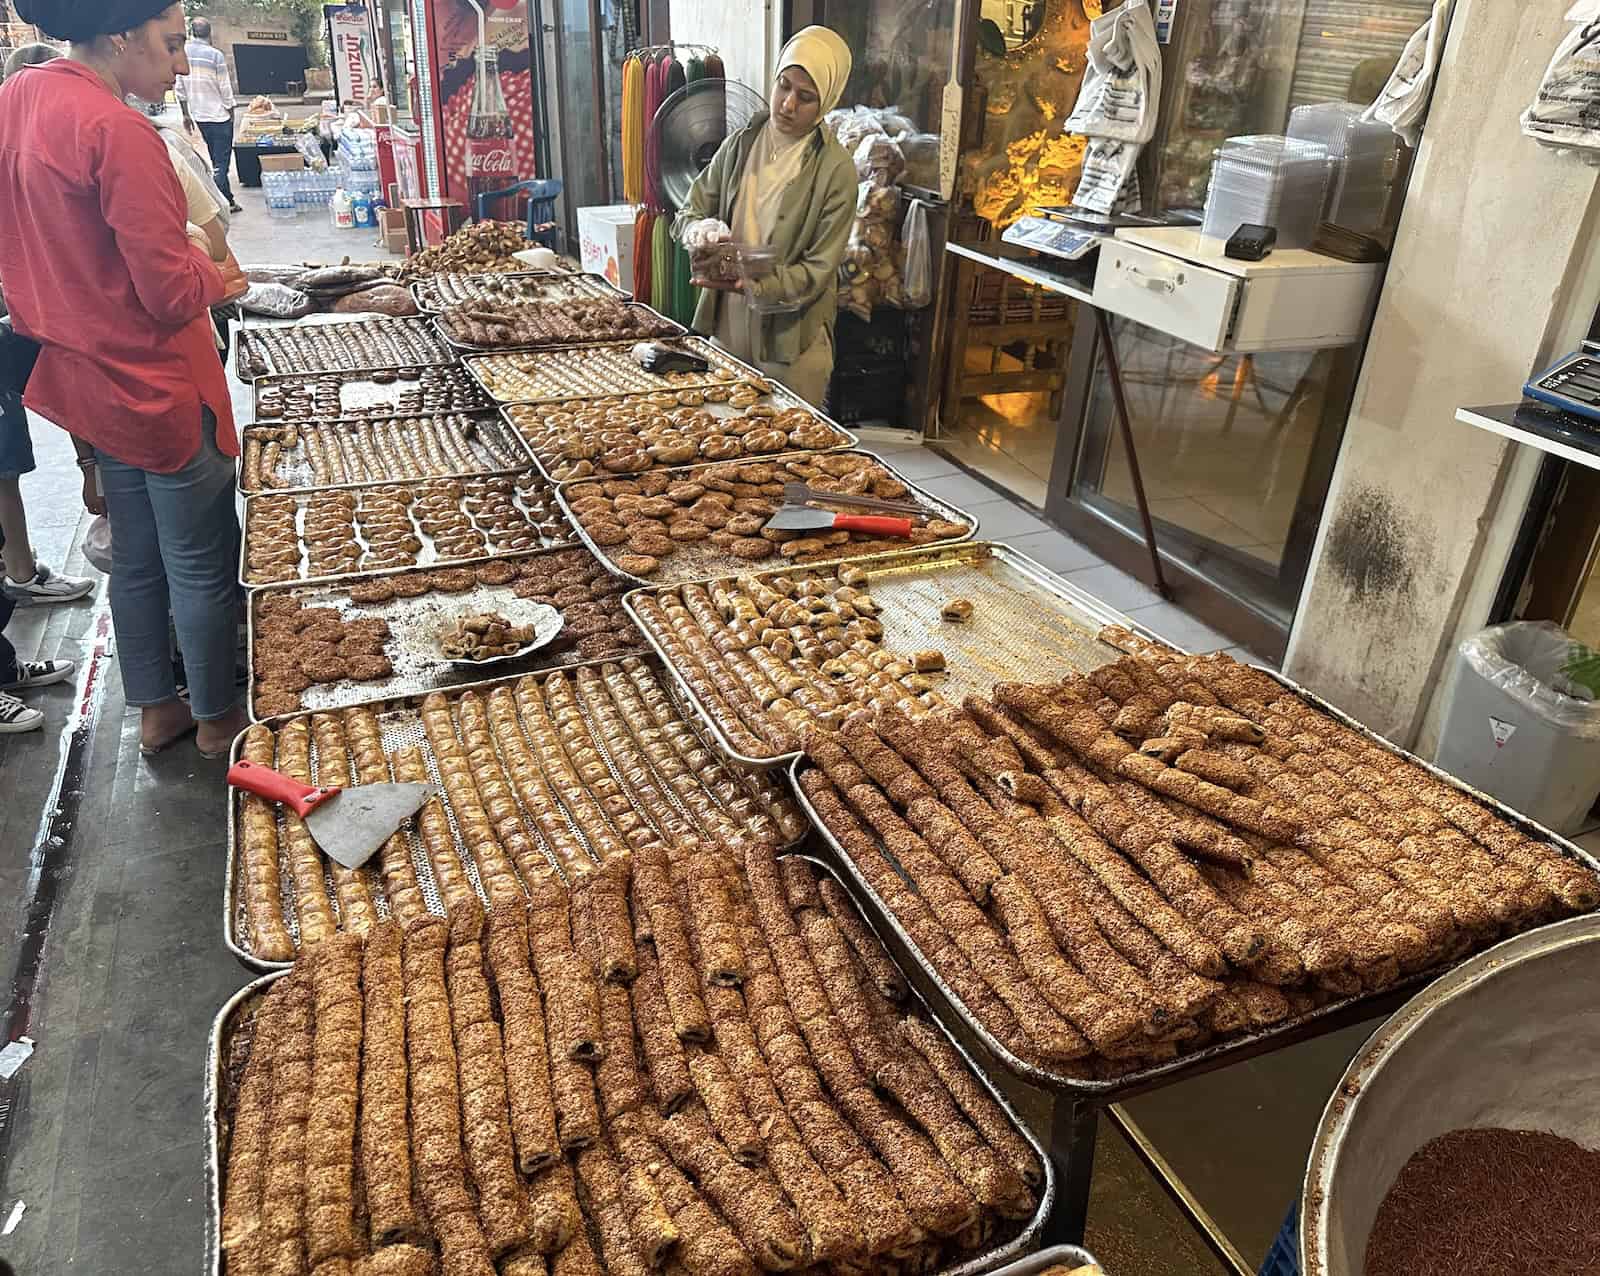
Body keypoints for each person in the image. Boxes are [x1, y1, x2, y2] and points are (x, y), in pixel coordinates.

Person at [0, 0, 247, 758]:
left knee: (137, 557)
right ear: (121, 35)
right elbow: (171, 291)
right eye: (171, 45)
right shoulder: (117, 129)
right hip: (159, 386)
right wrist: (217, 267)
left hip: (86, 380)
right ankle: (215, 720)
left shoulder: (16, 100)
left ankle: (154, 708)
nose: (180, 64)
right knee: (201, 559)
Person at [674, 26, 857, 408]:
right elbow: (690, 209)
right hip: (726, 320)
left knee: (794, 451)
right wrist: (698, 229)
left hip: (791, 339)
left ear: (826, 102)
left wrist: (757, 284)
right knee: (721, 442)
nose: (787, 104)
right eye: (783, 86)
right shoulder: (742, 143)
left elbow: (818, 270)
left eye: (806, 97)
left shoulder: (835, 170)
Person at [0, 40, 95, 610]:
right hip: (21, 320)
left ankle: (17, 566)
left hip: (25, 317)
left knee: (5, 459)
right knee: (3, 458)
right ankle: (18, 571)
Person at [175, 15, 241, 214]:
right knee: (221, 163)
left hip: (199, 115)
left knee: (214, 158)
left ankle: (226, 198)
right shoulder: (215, 55)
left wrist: (186, 114)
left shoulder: (182, 53)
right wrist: (231, 111)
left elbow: (180, 87)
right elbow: (225, 87)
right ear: (209, 33)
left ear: (191, 31)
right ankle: (222, 202)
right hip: (219, 116)